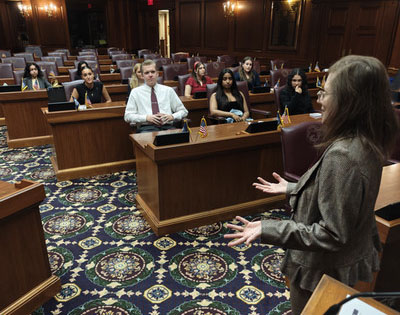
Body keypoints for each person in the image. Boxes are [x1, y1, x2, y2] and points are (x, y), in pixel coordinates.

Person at [224, 55, 399, 314]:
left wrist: (267, 227)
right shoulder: (369, 138)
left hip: (321, 269)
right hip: (344, 262)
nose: (320, 100)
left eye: (326, 93)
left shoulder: (344, 155)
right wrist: (293, 188)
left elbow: (332, 233)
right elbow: (343, 196)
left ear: (350, 100)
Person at [124, 59, 188, 133]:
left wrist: (172, 116)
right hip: (146, 129)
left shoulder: (168, 90)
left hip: (168, 127)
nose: (150, 75)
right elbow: (127, 116)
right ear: (142, 75)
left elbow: (184, 111)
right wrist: (146, 118)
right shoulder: (135, 92)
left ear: (157, 73)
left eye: (153, 72)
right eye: (147, 73)